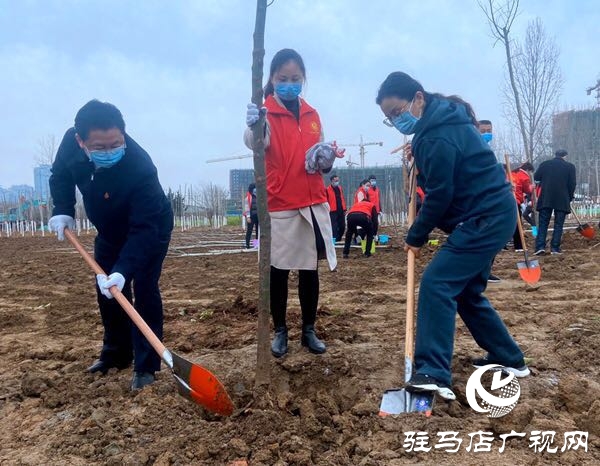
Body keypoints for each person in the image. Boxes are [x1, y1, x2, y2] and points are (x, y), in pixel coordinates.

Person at [376, 72, 529, 400]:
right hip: (494, 214)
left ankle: (433, 371)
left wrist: (415, 235)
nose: (396, 120)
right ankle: (509, 357)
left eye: (397, 111)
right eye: (389, 119)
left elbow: (441, 195)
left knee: (437, 284)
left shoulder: (436, 136)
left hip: (484, 218)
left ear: (418, 98)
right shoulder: (439, 125)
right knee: (467, 293)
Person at [48, 100, 173, 390]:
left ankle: (146, 365)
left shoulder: (140, 168)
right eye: (100, 147)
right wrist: (63, 209)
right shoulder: (70, 142)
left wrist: (124, 268)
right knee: (106, 289)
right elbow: (60, 175)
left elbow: (144, 229)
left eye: (115, 144)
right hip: (108, 229)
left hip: (149, 228)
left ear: (123, 135)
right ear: (81, 141)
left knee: (143, 285)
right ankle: (116, 354)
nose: (109, 152)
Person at [244, 48, 338, 358]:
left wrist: (325, 161)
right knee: (279, 271)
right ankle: (280, 330)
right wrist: (254, 124)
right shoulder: (266, 112)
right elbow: (256, 142)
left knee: (310, 270)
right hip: (281, 204)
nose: (289, 84)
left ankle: (308, 330)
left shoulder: (312, 114)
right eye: (282, 79)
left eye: (295, 79)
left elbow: (320, 154)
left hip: (312, 199)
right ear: (271, 79)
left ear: (303, 80)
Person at [533, 149, 576, 255]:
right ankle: (555, 248)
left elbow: (536, 177)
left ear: (555, 155)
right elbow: (572, 184)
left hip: (546, 198)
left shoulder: (545, 164)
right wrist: (569, 197)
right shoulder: (570, 167)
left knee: (543, 223)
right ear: (565, 156)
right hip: (562, 199)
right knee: (558, 225)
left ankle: (540, 247)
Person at [477, 119, 502, 283]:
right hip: (478, 201)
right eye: (483, 130)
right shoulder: (473, 149)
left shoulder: (488, 150)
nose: (487, 133)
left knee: (494, 237)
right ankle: (478, 273)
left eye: (489, 130)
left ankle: (485, 271)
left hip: (491, 199)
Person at [509, 162, 534, 251]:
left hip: (509, 200)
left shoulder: (513, 173)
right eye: (531, 172)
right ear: (528, 170)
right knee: (519, 223)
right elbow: (527, 189)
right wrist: (532, 187)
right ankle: (519, 245)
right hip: (516, 201)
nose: (531, 174)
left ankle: (535, 234)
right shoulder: (524, 176)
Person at [326, 174, 346, 242]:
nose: (337, 182)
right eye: (335, 180)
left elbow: (342, 198)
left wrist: (344, 209)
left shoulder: (340, 188)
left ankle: (339, 237)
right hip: (332, 211)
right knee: (334, 227)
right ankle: (334, 240)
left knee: (342, 226)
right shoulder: (327, 190)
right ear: (332, 181)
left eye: (338, 180)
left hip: (340, 210)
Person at [244, 182, 259, 248]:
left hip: (258, 216)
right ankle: (247, 244)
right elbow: (247, 208)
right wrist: (248, 217)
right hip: (251, 216)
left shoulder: (260, 196)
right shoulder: (248, 198)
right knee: (249, 231)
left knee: (258, 231)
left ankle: (256, 245)